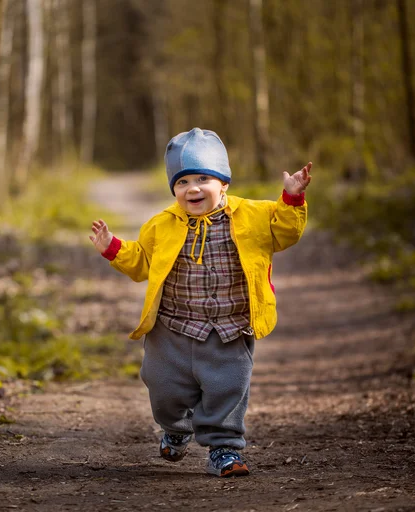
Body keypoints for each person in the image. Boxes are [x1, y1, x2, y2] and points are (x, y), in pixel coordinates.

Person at [89, 128, 311, 477]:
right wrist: (113, 248)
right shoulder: (160, 225)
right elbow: (142, 262)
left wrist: (291, 198)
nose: (192, 188)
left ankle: (224, 448)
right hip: (172, 328)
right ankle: (176, 427)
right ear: (174, 189)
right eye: (182, 182)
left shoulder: (254, 215)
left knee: (229, 388)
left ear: (223, 183)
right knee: (162, 386)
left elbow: (286, 232)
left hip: (230, 326)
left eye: (203, 178)